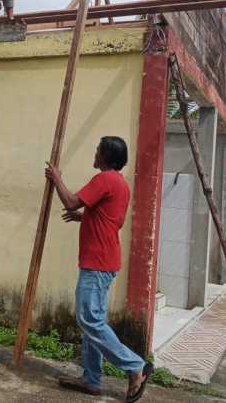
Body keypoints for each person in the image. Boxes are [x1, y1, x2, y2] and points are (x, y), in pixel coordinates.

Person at [45, 137, 153, 402]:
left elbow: (71, 201)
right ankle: (91, 379)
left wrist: (56, 177)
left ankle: (134, 366)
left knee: (88, 320)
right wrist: (86, 218)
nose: (94, 153)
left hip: (97, 263)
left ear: (105, 155)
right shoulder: (120, 184)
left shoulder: (104, 179)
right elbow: (111, 221)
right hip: (105, 262)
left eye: (97, 150)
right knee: (93, 322)